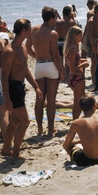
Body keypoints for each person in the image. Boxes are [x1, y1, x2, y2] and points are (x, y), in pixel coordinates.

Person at [0, 19, 43, 160]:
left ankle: (6, 149)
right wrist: (6, 98)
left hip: (20, 86)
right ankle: (16, 153)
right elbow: (4, 76)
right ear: (23, 30)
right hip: (12, 87)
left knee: (16, 121)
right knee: (25, 121)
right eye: (29, 29)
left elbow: (25, 70)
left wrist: (36, 86)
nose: (31, 31)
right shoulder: (9, 51)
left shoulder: (23, 47)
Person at [26, 7, 64, 136]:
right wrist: (62, 70)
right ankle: (51, 129)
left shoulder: (34, 30)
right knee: (51, 100)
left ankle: (40, 129)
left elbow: (28, 48)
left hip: (39, 65)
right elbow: (55, 55)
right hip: (50, 65)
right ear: (52, 18)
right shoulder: (52, 33)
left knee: (39, 99)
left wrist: (36, 56)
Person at [63, 95, 98, 167]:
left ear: (81, 107)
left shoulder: (76, 123)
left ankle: (73, 159)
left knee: (70, 147)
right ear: (94, 105)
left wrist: (78, 141)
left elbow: (66, 144)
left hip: (88, 160)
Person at [64, 25, 89, 120]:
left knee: (82, 100)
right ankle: (75, 122)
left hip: (74, 77)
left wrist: (82, 61)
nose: (81, 37)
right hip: (77, 77)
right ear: (75, 35)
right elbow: (73, 68)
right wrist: (83, 64)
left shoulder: (71, 47)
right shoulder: (73, 49)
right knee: (78, 103)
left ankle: (81, 119)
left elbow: (74, 61)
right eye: (80, 35)